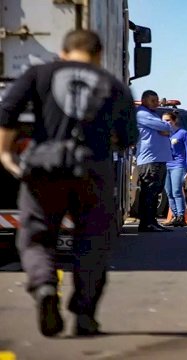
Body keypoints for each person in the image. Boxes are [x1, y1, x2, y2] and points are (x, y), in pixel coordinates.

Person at [0, 29, 138, 337]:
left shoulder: (39, 74)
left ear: (63, 53)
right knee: (92, 245)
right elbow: (128, 138)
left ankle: (46, 287)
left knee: (36, 236)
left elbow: (7, 111)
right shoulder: (114, 86)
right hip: (93, 170)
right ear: (99, 55)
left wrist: (5, 154)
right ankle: (85, 316)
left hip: (43, 167)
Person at [135, 90, 173, 232]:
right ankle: (146, 223)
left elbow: (169, 128)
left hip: (158, 159)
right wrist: (165, 127)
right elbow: (166, 127)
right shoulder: (142, 114)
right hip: (150, 159)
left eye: (157, 100)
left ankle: (152, 221)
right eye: (152, 100)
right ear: (144, 100)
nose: (156, 103)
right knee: (149, 191)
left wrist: (165, 128)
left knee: (155, 191)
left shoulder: (153, 114)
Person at [161, 110, 187, 227]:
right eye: (163, 121)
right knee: (169, 192)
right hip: (166, 164)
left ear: (174, 121)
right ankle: (174, 216)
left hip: (178, 165)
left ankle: (180, 216)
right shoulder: (163, 133)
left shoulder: (183, 133)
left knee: (176, 191)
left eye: (168, 120)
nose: (166, 123)